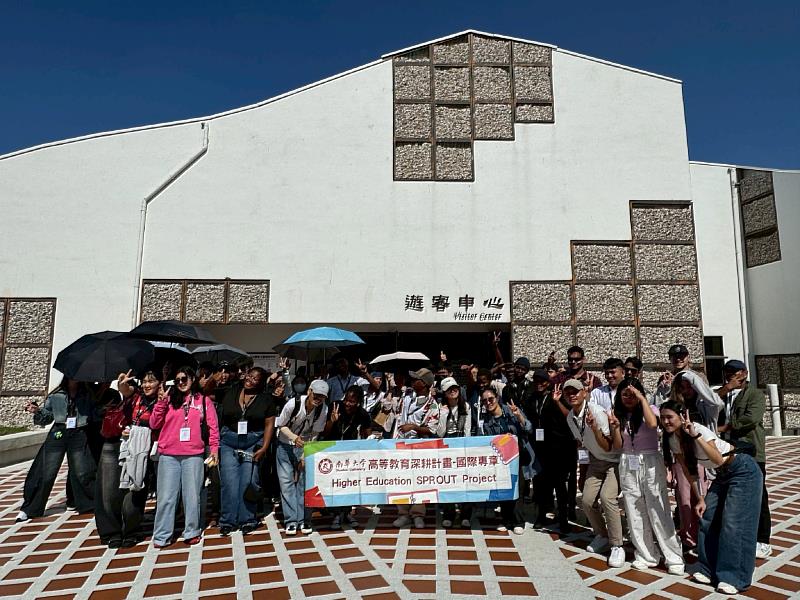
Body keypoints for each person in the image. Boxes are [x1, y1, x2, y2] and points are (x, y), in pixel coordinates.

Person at [660, 400, 763, 595]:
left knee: (734, 523)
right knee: (707, 518)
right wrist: (700, 498)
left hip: (742, 470)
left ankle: (735, 577)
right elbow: (689, 472)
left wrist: (696, 435)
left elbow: (716, 458)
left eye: (669, 417)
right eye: (663, 418)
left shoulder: (698, 429)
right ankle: (707, 569)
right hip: (721, 476)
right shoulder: (672, 439)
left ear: (682, 417)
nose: (665, 422)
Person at [609, 379, 684, 574]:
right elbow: (617, 446)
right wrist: (616, 427)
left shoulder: (649, 409)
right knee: (634, 509)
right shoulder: (618, 414)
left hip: (650, 460)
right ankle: (646, 554)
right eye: (625, 394)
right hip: (628, 461)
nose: (628, 398)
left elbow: (652, 424)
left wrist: (642, 398)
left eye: (632, 394)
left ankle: (673, 556)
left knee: (657, 507)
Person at [149, 366, 220, 548]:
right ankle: (162, 534)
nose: (181, 382)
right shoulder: (169, 399)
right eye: (178, 379)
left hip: (193, 455)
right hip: (169, 455)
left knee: (192, 496)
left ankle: (192, 531)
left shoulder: (203, 401)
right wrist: (161, 402)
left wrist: (214, 450)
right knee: (166, 497)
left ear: (192, 379)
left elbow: (213, 428)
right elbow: (154, 423)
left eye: (184, 379)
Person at [564, 378, 624, 567]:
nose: (572, 395)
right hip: (595, 462)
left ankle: (617, 545)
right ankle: (602, 535)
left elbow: (608, 446)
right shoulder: (570, 418)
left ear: (584, 393)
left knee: (607, 498)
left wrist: (595, 428)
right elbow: (581, 443)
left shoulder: (597, 413)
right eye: (568, 392)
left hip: (614, 461)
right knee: (586, 501)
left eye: (575, 391)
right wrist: (582, 470)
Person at [18, 377, 96, 522]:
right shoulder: (56, 394)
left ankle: (87, 503)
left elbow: (93, 414)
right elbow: (47, 417)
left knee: (82, 470)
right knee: (46, 470)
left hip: (79, 431)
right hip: (59, 431)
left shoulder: (87, 393)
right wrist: (37, 411)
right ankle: (31, 508)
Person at [715, 359, 772, 559]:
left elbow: (751, 418)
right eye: (727, 372)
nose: (730, 375)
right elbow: (707, 403)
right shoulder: (725, 393)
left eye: (735, 372)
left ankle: (763, 539)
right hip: (728, 453)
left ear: (745, 373)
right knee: (728, 494)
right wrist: (726, 388)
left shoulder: (755, 394)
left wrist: (725, 428)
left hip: (751, 451)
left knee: (759, 497)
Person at [216, 367, 276, 535]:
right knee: (229, 482)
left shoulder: (266, 399)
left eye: (255, 378)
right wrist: (216, 378)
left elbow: (269, 424)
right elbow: (207, 391)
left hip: (252, 442)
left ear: (262, 382)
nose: (250, 379)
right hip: (229, 441)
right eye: (249, 375)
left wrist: (264, 447)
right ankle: (228, 520)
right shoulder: (231, 390)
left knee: (248, 481)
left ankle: (247, 519)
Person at [669, 369, 723, 550]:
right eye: (682, 387)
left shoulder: (707, 405)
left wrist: (690, 376)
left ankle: (705, 536)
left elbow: (717, 401)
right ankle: (688, 537)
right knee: (684, 499)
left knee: (704, 498)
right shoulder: (676, 405)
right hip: (682, 457)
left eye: (689, 386)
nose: (686, 390)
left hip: (703, 458)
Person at [275, 379, 329, 535]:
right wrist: (294, 438)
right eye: (316, 395)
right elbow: (281, 425)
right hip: (285, 445)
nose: (318, 399)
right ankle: (291, 520)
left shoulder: (322, 410)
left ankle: (305, 520)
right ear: (309, 391)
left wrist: (306, 455)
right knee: (286, 484)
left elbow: (315, 434)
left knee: (305, 484)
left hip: (306, 446)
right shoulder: (293, 404)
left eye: (322, 397)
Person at [527, 369, 575, 533]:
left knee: (560, 486)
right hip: (539, 448)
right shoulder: (532, 398)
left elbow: (570, 417)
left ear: (548, 382)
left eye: (543, 381)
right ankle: (541, 516)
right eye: (536, 381)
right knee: (540, 484)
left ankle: (563, 519)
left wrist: (557, 401)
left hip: (558, 449)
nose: (539, 384)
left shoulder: (558, 397)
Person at [392, 368, 440, 529]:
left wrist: (414, 427)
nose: (413, 381)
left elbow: (432, 429)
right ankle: (403, 513)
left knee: (420, 481)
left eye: (417, 379)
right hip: (400, 445)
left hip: (419, 448)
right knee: (400, 480)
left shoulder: (432, 405)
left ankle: (418, 514)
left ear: (425, 384)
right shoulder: (407, 396)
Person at [479, 387, 531, 535]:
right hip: (502, 459)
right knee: (503, 489)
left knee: (518, 489)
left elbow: (528, 428)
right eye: (485, 401)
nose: (488, 403)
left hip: (518, 456)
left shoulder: (511, 411)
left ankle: (518, 521)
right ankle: (506, 519)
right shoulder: (487, 422)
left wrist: (519, 416)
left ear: (497, 398)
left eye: (491, 399)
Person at [322, 385, 372, 529]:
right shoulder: (335, 406)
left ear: (358, 402)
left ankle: (347, 512)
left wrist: (369, 440)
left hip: (349, 451)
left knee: (347, 483)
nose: (348, 404)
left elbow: (368, 433)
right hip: (331, 449)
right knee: (334, 483)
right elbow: (324, 433)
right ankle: (336, 514)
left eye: (352, 401)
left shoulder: (362, 413)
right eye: (346, 400)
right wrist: (332, 420)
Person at [435, 377, 472, 528]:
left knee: (465, 481)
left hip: (462, 443)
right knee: (447, 480)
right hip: (446, 446)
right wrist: (443, 416)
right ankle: (449, 513)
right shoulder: (440, 407)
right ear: (444, 392)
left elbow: (468, 429)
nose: (453, 391)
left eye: (455, 388)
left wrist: (467, 448)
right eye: (449, 389)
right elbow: (439, 433)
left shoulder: (466, 407)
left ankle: (465, 514)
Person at [652, 345, 718, 416]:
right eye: (675, 357)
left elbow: (706, 399)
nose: (678, 359)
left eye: (682, 356)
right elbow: (661, 400)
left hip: (695, 415)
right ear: (670, 358)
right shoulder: (665, 378)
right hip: (674, 416)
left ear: (688, 357)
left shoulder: (699, 377)